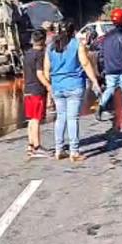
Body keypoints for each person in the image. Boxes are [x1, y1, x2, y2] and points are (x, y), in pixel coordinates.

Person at [44, 21, 102, 162]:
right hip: (74, 85)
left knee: (60, 117)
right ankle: (74, 152)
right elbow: (85, 63)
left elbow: (46, 69)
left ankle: (59, 150)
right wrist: (94, 81)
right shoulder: (77, 45)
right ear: (72, 31)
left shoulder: (50, 47)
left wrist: (49, 89)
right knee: (72, 118)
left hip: (57, 87)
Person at [97, 7, 122, 123]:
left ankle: (101, 105)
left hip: (110, 69)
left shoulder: (107, 36)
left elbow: (102, 52)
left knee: (110, 89)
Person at [24, 31, 53, 158]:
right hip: (37, 90)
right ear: (43, 40)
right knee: (36, 119)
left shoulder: (27, 54)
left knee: (31, 119)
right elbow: (40, 73)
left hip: (28, 89)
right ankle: (37, 147)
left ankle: (30, 145)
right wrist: (48, 86)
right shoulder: (40, 55)